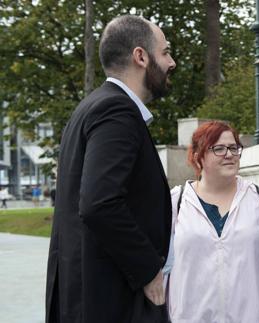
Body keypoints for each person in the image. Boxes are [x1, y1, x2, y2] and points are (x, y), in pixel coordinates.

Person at [45, 15, 176, 323]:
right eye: (166, 52)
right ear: (141, 56)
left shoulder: (91, 107)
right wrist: (148, 270)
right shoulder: (116, 111)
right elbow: (99, 204)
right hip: (110, 301)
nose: (171, 62)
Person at [164, 121, 259, 323]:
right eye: (219, 148)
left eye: (234, 147)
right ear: (199, 156)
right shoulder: (177, 202)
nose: (229, 154)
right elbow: (161, 264)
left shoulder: (258, 199)